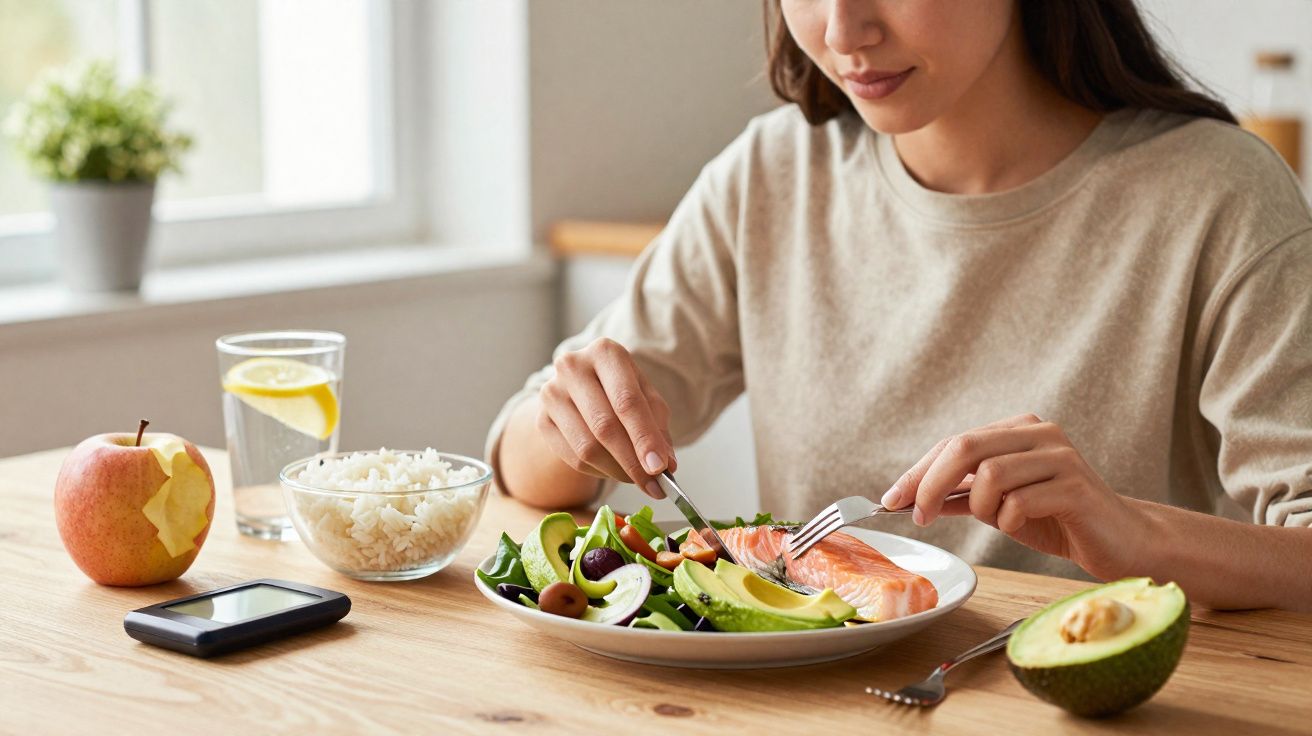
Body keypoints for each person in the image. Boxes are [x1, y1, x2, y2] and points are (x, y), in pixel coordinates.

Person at [485, 0, 1312, 611]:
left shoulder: (1219, 196)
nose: (843, 31)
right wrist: (568, 422)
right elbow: (518, 463)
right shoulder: (771, 176)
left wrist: (1135, 534)